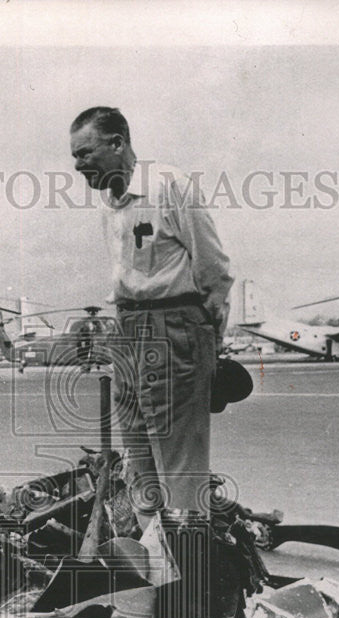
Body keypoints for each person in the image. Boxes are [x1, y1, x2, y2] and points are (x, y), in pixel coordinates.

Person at [69, 106, 233, 527]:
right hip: (128, 331)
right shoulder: (110, 205)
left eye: (86, 153)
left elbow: (213, 270)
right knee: (138, 452)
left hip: (175, 325)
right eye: (75, 156)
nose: (78, 164)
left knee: (180, 462)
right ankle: (157, 567)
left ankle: (192, 577)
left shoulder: (170, 186)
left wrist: (205, 343)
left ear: (118, 143)